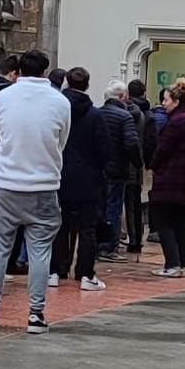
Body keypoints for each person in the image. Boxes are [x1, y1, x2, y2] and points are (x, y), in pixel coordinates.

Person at [0, 47, 72, 332]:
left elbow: (1, 132)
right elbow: (61, 141)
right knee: (40, 252)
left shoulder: (3, 97)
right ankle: (36, 314)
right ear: (46, 70)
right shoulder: (60, 102)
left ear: (18, 70)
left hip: (6, 183)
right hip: (43, 185)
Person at [53, 67, 111, 290]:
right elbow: (104, 149)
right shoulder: (95, 114)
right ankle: (85, 274)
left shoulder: (58, 110)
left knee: (60, 226)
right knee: (87, 229)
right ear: (87, 85)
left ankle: (56, 270)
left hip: (60, 174)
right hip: (88, 178)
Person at [147, 79, 185, 276]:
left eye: (166, 100)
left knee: (164, 222)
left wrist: (153, 165)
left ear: (176, 101)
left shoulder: (177, 122)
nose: (163, 104)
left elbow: (163, 151)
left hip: (171, 180)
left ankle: (172, 264)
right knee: (182, 220)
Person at [97, 81, 142, 255]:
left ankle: (99, 244)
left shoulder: (98, 114)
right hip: (117, 169)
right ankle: (109, 246)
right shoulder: (125, 117)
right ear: (123, 96)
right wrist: (137, 164)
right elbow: (131, 143)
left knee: (101, 207)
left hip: (100, 169)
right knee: (114, 208)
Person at [123, 77, 154, 255]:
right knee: (134, 201)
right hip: (137, 163)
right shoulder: (147, 115)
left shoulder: (125, 111)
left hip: (123, 163)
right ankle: (135, 239)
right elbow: (150, 142)